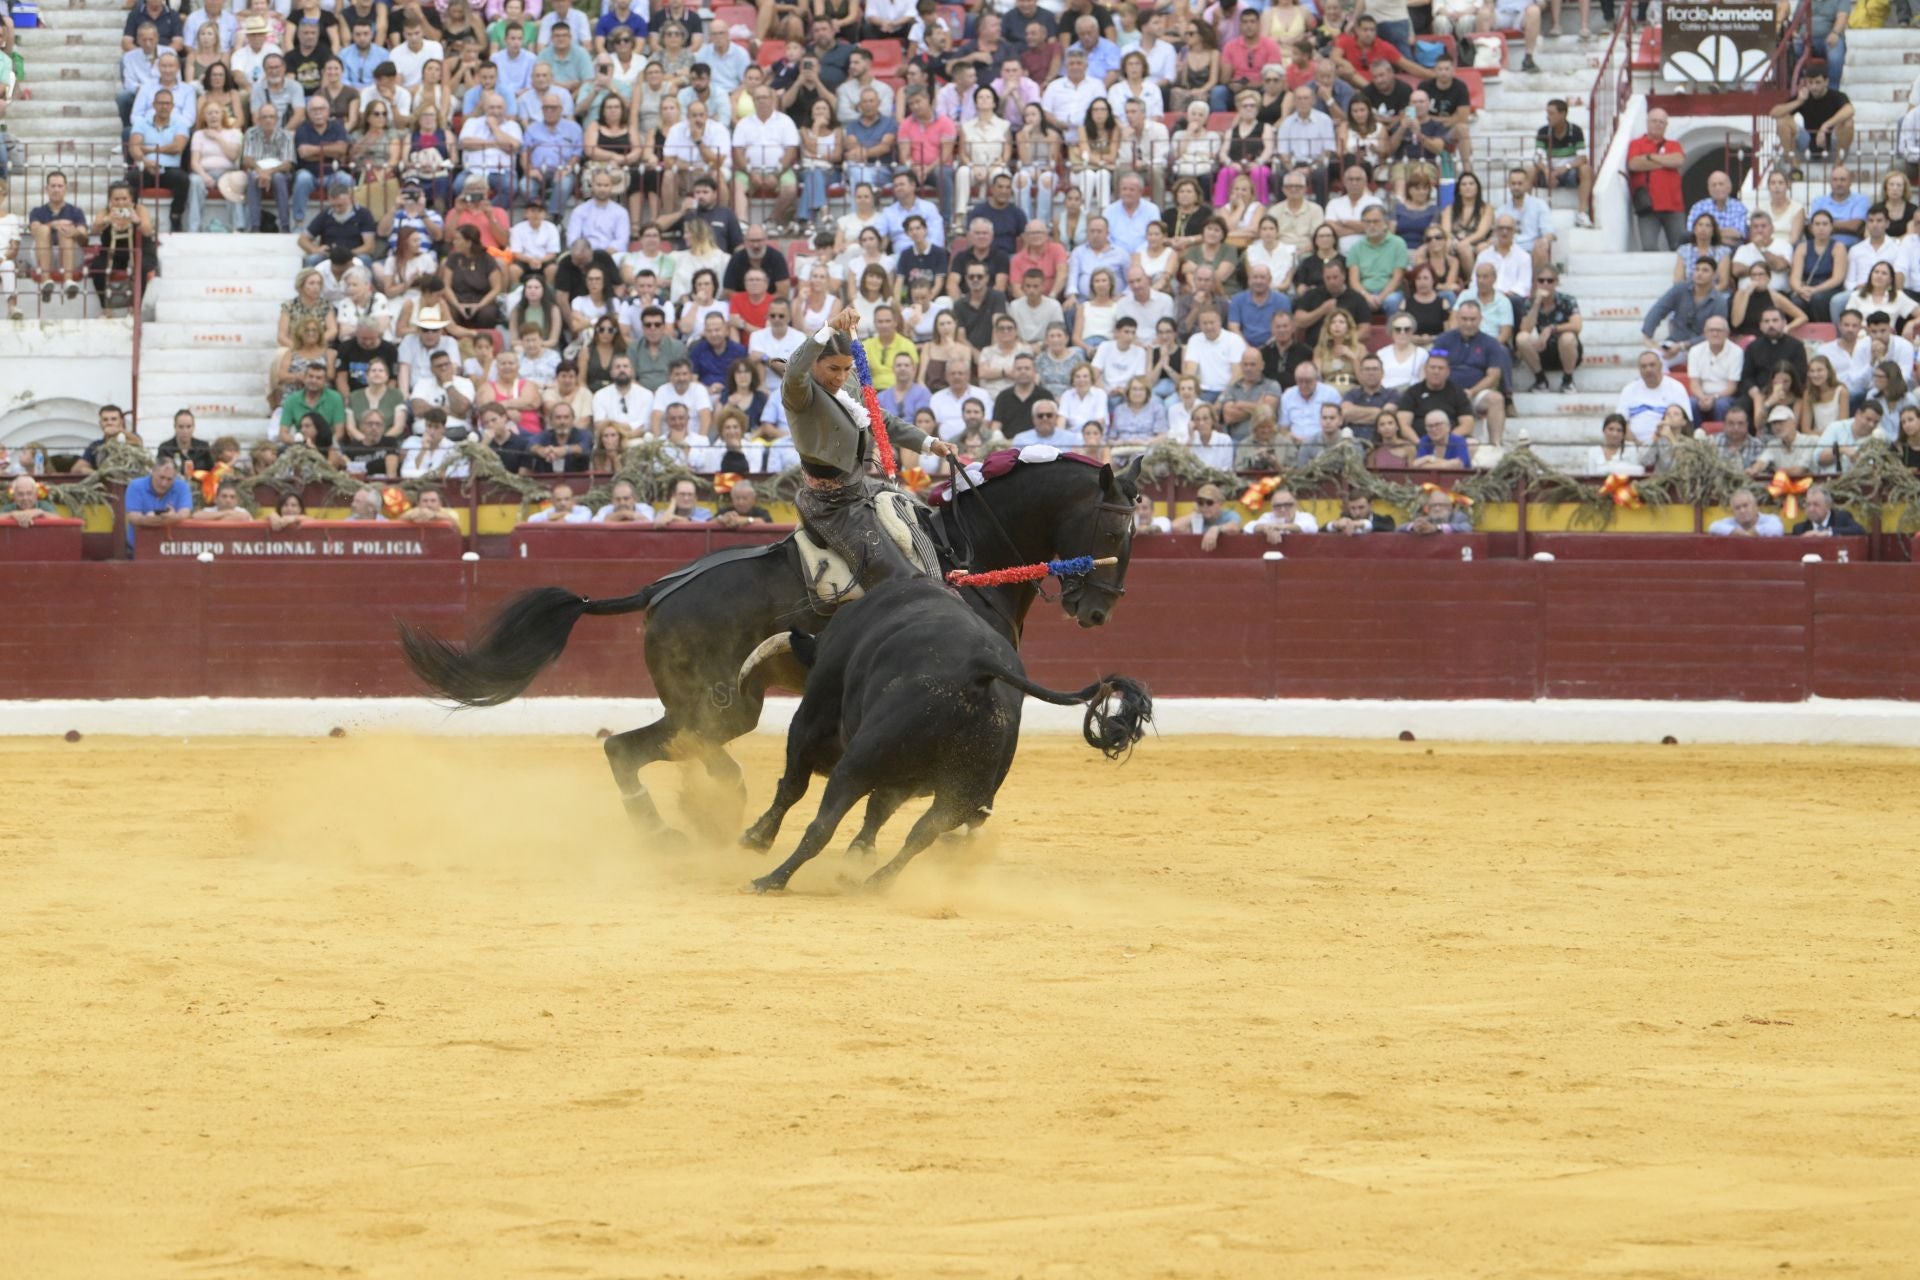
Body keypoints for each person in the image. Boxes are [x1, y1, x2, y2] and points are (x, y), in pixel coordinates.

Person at [782, 308, 956, 590]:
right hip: (830, 505)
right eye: (833, 369)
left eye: (847, 368)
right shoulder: (799, 393)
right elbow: (794, 371)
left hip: (859, 486)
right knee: (894, 577)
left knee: (923, 521)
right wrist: (827, 328)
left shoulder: (849, 380)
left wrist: (930, 443)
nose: (841, 377)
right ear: (815, 363)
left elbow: (879, 418)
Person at [1627, 108, 1686, 253]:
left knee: (1680, 248)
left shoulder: (1673, 145)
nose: (1658, 124)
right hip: (1647, 206)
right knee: (1649, 247)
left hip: (1674, 205)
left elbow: (1678, 160)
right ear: (1647, 123)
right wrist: (1665, 162)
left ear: (1666, 125)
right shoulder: (1637, 143)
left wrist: (1649, 157)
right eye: (1654, 121)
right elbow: (1634, 164)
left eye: (1662, 122)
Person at [123, 457, 194, 553]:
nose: (164, 483)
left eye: (169, 479)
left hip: (171, 549)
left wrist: (174, 517)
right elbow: (133, 517)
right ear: (152, 472)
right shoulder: (136, 486)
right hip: (138, 549)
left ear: (175, 477)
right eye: (161, 477)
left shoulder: (182, 487)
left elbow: (186, 513)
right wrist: (148, 520)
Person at [1708, 487, 1784, 537]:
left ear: (1755, 506)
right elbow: (1713, 527)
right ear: (1733, 512)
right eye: (1737, 508)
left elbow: (1777, 528)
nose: (1742, 511)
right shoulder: (1731, 522)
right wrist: (1735, 531)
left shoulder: (1770, 519)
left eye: (1745, 506)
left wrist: (1755, 531)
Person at [1792, 487, 1866, 536]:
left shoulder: (1842, 518)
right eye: (1808, 504)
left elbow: (1860, 531)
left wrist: (1829, 532)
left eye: (1816, 505)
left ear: (1828, 506)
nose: (1811, 509)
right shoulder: (1800, 529)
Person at [1400, 485, 1472, 532]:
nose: (1437, 509)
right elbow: (1398, 529)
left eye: (1441, 505)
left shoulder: (1458, 517)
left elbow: (1467, 528)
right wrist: (1414, 526)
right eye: (1433, 505)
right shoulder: (1427, 518)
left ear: (1450, 507)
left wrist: (1436, 528)